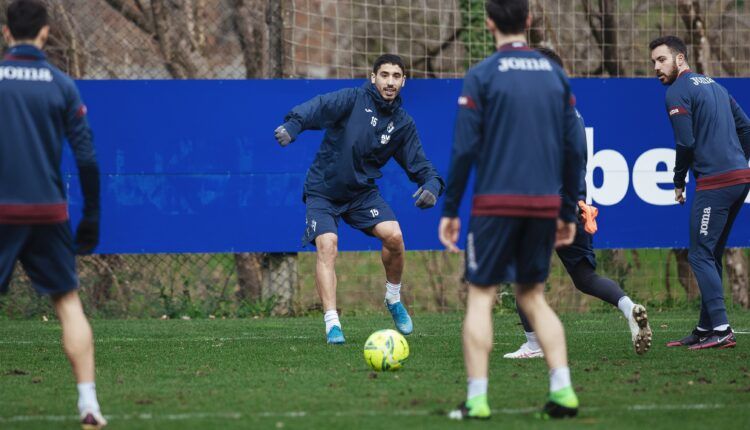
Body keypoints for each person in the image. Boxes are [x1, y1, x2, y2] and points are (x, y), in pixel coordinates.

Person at [440, 0, 585, 420]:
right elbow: (575, 148)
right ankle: (562, 391)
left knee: (481, 297)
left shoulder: (482, 75)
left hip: (495, 205)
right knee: (534, 297)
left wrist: (450, 208)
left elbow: (464, 148)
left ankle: (478, 400)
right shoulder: (555, 75)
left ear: (488, 23)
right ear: (528, 20)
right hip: (543, 205)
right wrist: (567, 210)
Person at [274, 54, 444, 344]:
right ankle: (333, 324)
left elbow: (421, 164)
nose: (390, 81)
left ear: (403, 81)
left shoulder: (402, 123)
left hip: (362, 194)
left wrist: (432, 185)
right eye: (385, 75)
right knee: (327, 245)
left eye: (396, 76)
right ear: (373, 77)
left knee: (395, 236)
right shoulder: (352, 100)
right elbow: (317, 107)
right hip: (323, 190)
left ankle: (393, 299)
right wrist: (293, 125)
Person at [503, 47, 652, 360]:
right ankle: (628, 308)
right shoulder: (571, 111)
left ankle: (534, 345)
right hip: (574, 205)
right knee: (585, 277)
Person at [0, 0, 105, 428]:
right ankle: (89, 405)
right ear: (45, 32)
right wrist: (92, 216)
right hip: (47, 210)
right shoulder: (62, 85)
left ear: (7, 34)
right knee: (67, 303)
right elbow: (87, 159)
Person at [650, 36, 750, 350]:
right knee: (711, 254)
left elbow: (686, 144)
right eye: (653, 61)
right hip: (738, 178)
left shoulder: (677, 92)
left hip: (716, 184)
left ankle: (721, 329)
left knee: (699, 254)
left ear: (680, 59)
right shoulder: (717, 87)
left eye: (662, 60)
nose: (656, 67)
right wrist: (738, 162)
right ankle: (706, 327)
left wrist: (678, 181)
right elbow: (746, 127)